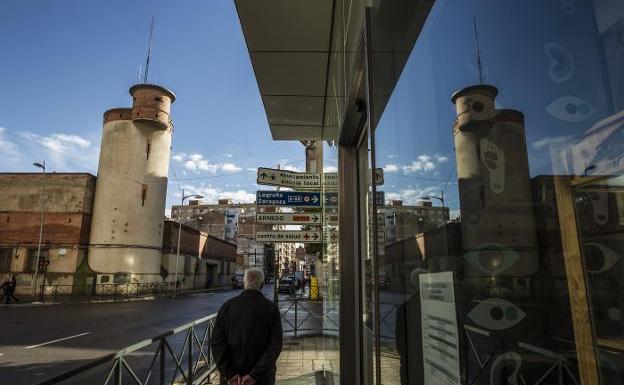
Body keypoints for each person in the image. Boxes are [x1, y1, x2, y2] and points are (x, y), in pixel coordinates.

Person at [211, 268, 282, 385]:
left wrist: (230, 373)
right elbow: (275, 346)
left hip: (233, 380)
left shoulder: (227, 307)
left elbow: (217, 343)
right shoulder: (271, 309)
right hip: (262, 379)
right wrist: (254, 374)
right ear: (262, 285)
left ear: (244, 283)